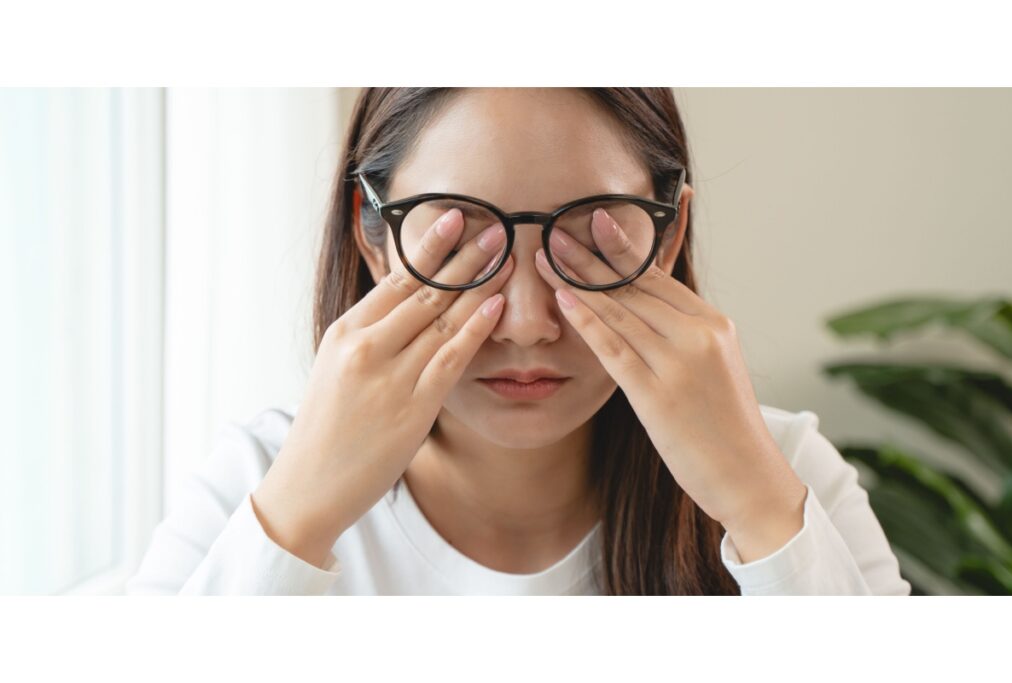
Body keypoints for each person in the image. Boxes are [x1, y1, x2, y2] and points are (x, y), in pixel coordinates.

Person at [126, 87, 912, 595]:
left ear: (668, 239)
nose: (529, 322)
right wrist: (296, 523)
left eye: (590, 239)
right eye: (461, 241)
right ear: (374, 238)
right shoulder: (252, 490)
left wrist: (760, 509)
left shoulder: (789, 477)